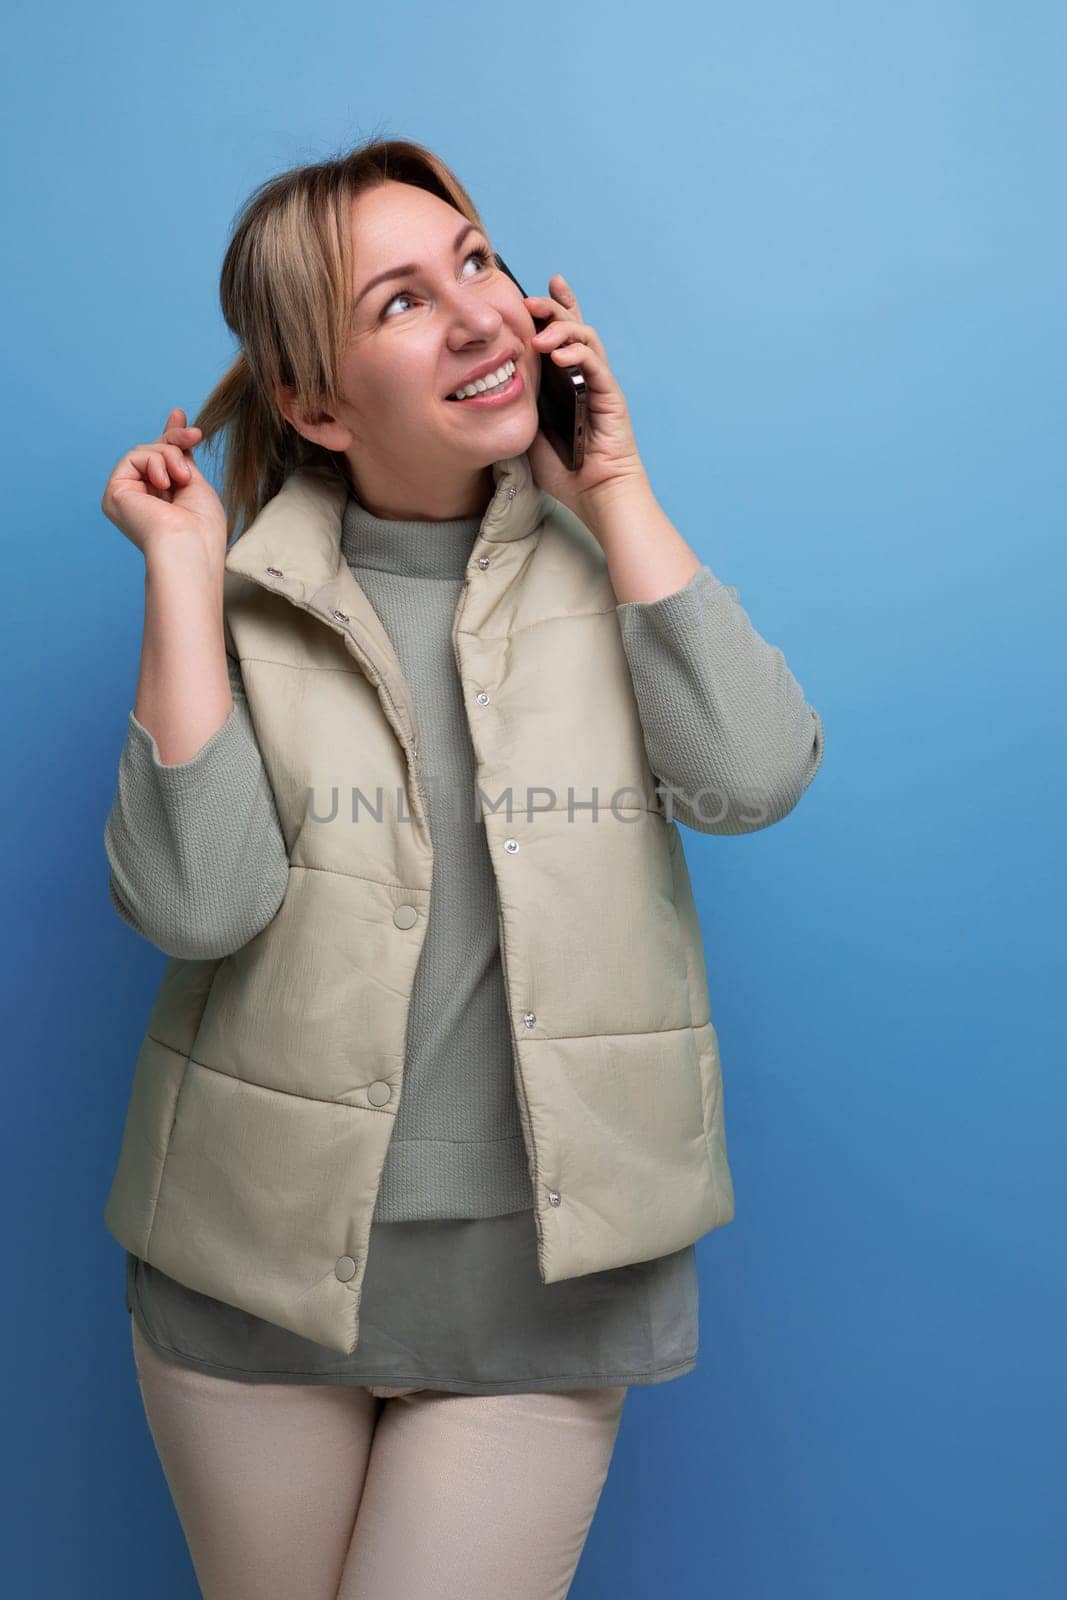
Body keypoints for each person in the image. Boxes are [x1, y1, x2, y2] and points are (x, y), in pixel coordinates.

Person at [100, 137, 824, 1599]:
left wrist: (612, 486)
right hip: (251, 1281)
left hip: (544, 1294)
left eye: (477, 263)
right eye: (402, 303)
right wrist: (185, 575)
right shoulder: (240, 594)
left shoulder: (615, 566)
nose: (481, 312)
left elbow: (750, 780)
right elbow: (196, 904)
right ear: (313, 402)